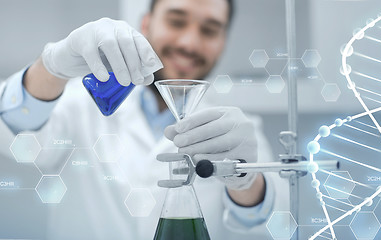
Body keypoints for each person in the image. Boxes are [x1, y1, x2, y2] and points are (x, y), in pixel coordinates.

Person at [0, 0, 288, 239]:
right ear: (147, 25)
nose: (190, 42)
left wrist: (246, 181)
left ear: (223, 41)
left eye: (210, 30)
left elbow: (274, 226)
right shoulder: (79, 104)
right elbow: (16, 135)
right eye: (176, 21)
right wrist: (51, 67)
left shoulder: (235, 130)